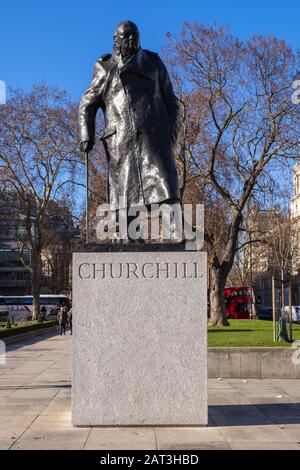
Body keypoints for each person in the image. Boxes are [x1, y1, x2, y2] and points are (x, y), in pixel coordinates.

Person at [79, 21, 180, 239]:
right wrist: (86, 135)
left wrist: (171, 129)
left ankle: (176, 230)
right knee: (125, 189)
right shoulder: (105, 67)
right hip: (122, 139)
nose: (132, 41)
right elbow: (88, 102)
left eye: (135, 36)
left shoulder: (153, 63)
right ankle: (129, 236)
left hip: (154, 135)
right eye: (126, 37)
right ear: (116, 40)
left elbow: (171, 99)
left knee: (165, 180)